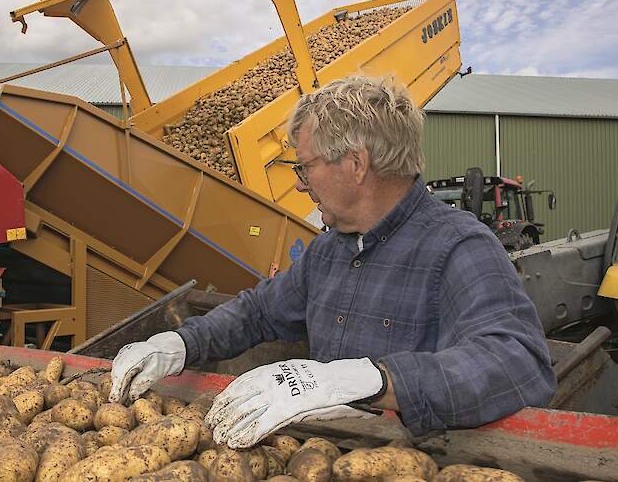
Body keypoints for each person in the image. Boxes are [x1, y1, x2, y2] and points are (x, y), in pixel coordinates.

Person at [108, 75, 556, 448]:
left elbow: (517, 362)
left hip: (407, 464)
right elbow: (258, 312)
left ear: (356, 164)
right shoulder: (329, 251)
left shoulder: (459, 246)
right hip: (320, 457)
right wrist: (180, 345)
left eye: (304, 167)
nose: (301, 185)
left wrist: (371, 379)